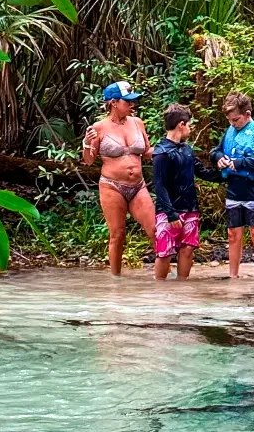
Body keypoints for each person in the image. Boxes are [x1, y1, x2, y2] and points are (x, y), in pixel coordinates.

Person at [82, 80, 155, 276]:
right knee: (117, 234)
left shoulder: (137, 123)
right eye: (127, 101)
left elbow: (147, 152)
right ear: (113, 102)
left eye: (133, 101)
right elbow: (89, 161)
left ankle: (163, 277)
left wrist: (172, 147)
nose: (132, 105)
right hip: (112, 186)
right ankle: (115, 281)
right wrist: (86, 143)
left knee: (155, 229)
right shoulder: (99, 127)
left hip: (138, 186)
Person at [151, 104, 219, 282]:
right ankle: (159, 290)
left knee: (187, 248)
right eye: (189, 124)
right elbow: (159, 186)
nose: (190, 128)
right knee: (164, 252)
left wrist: (229, 175)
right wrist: (171, 214)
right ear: (181, 124)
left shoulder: (187, 149)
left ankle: (182, 289)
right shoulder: (161, 153)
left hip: (190, 208)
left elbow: (202, 172)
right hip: (168, 211)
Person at [217, 92, 254, 280]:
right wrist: (218, 159)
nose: (233, 124)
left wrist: (241, 163)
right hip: (234, 189)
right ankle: (233, 276)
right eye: (230, 120)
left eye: (236, 119)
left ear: (247, 114)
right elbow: (216, 151)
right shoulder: (230, 131)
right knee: (233, 234)